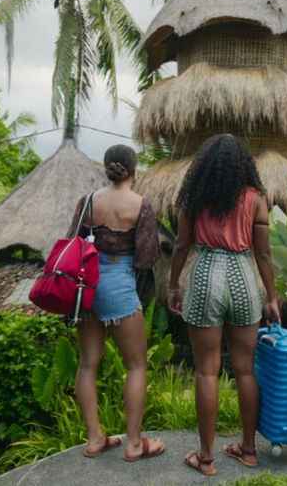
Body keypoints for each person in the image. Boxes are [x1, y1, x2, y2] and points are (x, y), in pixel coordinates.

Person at [167, 134, 281, 477]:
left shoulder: (194, 197)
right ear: (243, 165)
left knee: (206, 370)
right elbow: (262, 252)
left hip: (204, 278)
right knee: (246, 369)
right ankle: (248, 450)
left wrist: (173, 284)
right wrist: (272, 296)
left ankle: (206, 457)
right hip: (244, 278)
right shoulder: (255, 199)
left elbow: (182, 244)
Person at [70, 144, 165, 462]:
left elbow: (72, 241)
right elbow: (147, 256)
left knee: (87, 364)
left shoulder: (88, 202)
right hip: (119, 284)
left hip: (86, 287)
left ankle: (95, 437)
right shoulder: (141, 204)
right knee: (136, 365)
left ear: (106, 167)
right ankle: (135, 443)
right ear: (134, 170)